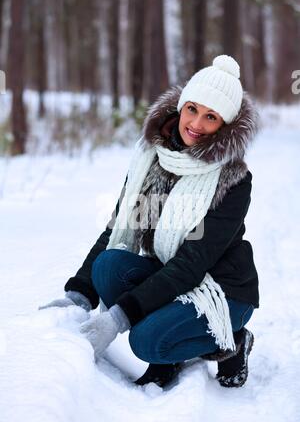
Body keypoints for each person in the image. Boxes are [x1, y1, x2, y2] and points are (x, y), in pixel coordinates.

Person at [40, 55, 259, 389]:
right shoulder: (152, 159)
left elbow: (191, 264)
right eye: (192, 109)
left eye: (211, 116)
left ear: (224, 125)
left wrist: (120, 316)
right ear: (180, 107)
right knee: (109, 266)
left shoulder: (233, 180)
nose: (196, 124)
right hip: (172, 277)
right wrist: (80, 293)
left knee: (145, 340)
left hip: (222, 291)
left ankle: (233, 341)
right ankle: (168, 352)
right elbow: (118, 227)